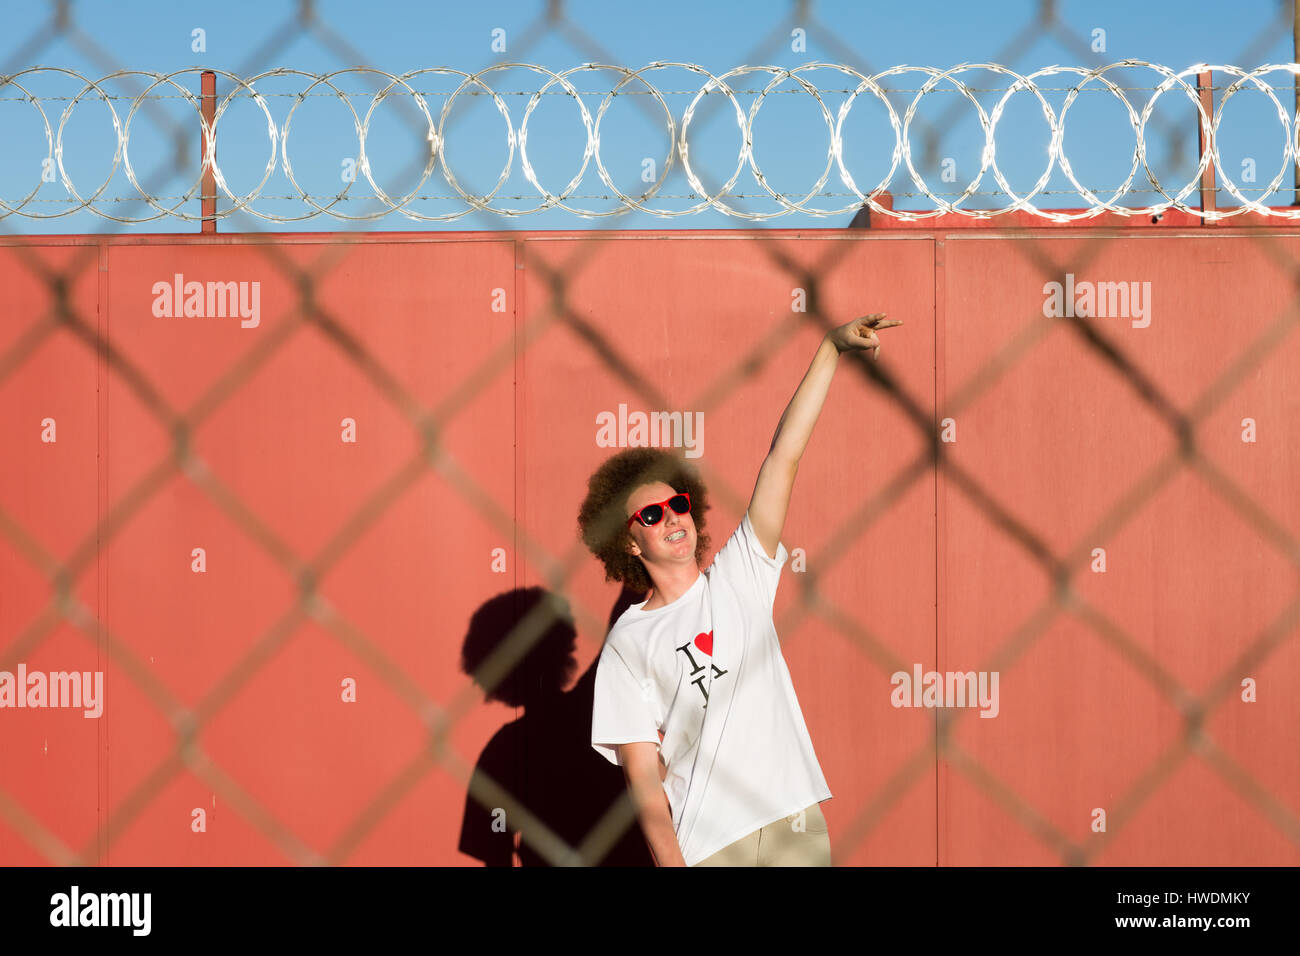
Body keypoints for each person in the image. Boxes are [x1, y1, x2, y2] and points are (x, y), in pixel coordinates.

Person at [578, 313, 902, 866]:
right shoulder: (627, 645)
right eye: (651, 516)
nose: (672, 518)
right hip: (709, 845)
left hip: (790, 822)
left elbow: (783, 459)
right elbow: (644, 780)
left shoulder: (740, 572)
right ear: (627, 543)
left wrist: (830, 349)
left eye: (677, 504)